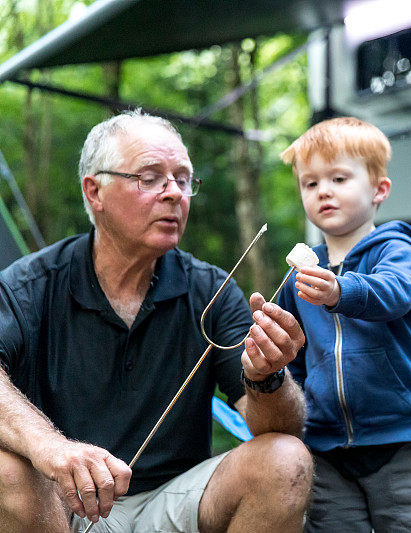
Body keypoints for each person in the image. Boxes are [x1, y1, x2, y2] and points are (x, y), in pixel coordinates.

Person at [0, 110, 312, 532]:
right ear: (95, 192)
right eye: (150, 178)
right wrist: (51, 448)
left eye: (183, 180)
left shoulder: (211, 291)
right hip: (62, 508)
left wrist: (268, 378)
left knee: (286, 458)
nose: (174, 193)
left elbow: (282, 427)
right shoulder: (31, 285)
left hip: (178, 500)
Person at [278, 117, 411, 532]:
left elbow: (396, 292)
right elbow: (292, 355)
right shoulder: (299, 276)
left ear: (378, 190)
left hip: (400, 439)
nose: (323, 191)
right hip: (326, 447)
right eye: (310, 183)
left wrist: (339, 293)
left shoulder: (395, 247)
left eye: (338, 177)